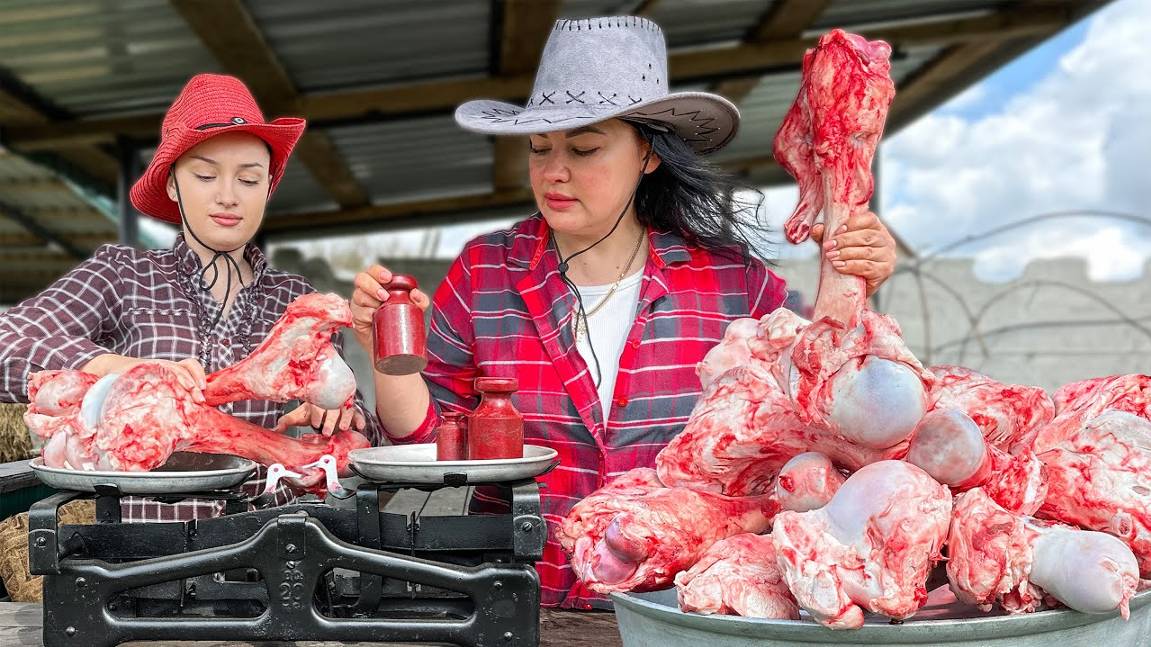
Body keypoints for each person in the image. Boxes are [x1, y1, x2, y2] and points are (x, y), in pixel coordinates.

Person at [350, 16, 896, 609]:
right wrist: (389, 359)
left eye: (583, 148)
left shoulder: (730, 282)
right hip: (522, 605)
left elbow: (831, 410)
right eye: (540, 148)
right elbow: (430, 443)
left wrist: (855, 274)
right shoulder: (487, 273)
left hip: (686, 609)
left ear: (648, 155)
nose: (554, 171)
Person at [0, 73, 380, 520]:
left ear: (267, 190)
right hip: (140, 557)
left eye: (249, 180)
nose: (227, 196)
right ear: (173, 186)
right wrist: (127, 373)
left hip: (274, 549)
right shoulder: (124, 274)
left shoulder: (297, 302)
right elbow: (8, 342)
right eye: (204, 174)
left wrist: (336, 413)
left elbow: (361, 442)